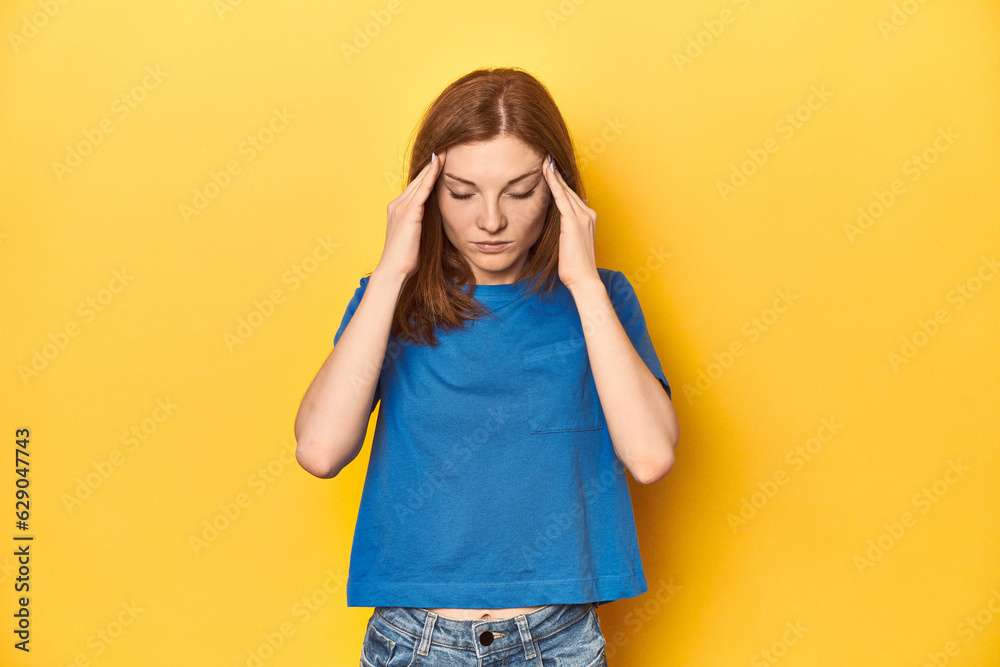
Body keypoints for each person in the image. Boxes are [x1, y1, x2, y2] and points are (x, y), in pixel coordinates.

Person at [294, 66, 679, 666]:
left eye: (520, 192)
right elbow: (319, 451)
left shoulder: (602, 298)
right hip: (414, 641)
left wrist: (580, 279)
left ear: (558, 192)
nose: (491, 220)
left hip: (557, 641)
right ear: (426, 192)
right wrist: (394, 269)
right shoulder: (388, 302)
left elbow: (651, 456)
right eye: (462, 192)